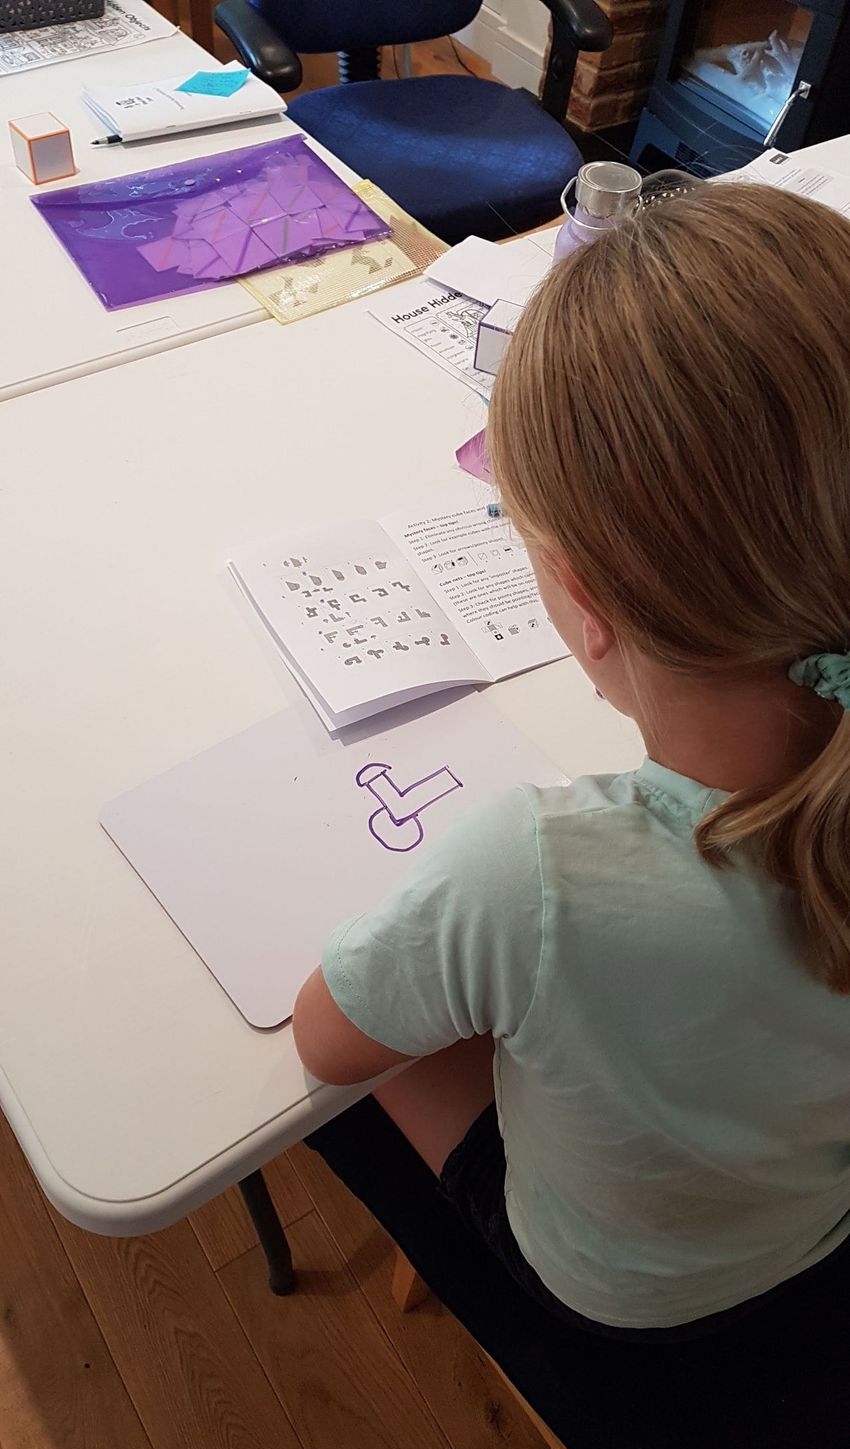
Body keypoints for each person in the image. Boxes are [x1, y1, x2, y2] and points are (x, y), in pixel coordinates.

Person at [293, 183, 850, 1342]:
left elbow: (324, 1034)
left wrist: (466, 937)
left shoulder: (532, 872)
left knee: (388, 1049)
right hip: (812, 1213)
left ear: (584, 603)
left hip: (618, 1286)